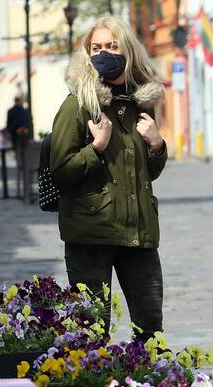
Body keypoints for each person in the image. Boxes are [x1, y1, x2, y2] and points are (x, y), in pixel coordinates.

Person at [49, 16, 167, 338]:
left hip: (138, 234)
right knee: (91, 332)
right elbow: (60, 173)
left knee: (150, 330)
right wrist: (97, 147)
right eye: (96, 47)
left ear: (129, 51)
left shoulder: (140, 104)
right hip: (91, 236)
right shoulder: (77, 106)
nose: (104, 54)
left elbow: (148, 173)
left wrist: (157, 145)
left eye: (112, 46)